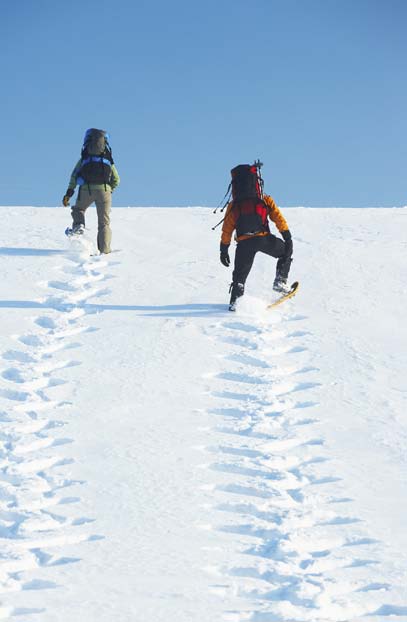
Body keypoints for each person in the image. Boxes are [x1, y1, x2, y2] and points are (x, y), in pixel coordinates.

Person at [219, 162, 293, 310]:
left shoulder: (234, 205)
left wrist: (224, 249)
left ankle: (235, 302)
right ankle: (280, 281)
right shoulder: (265, 199)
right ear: (256, 181)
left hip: (244, 243)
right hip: (263, 239)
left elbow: (227, 228)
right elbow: (277, 217)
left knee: (239, 276)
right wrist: (287, 236)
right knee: (285, 252)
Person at [62, 128, 120, 254]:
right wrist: (109, 190)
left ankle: (78, 226)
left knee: (79, 209)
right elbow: (116, 179)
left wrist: (69, 193)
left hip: (86, 190)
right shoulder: (108, 158)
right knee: (104, 223)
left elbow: (74, 175)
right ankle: (104, 251)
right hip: (104, 191)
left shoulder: (85, 157)